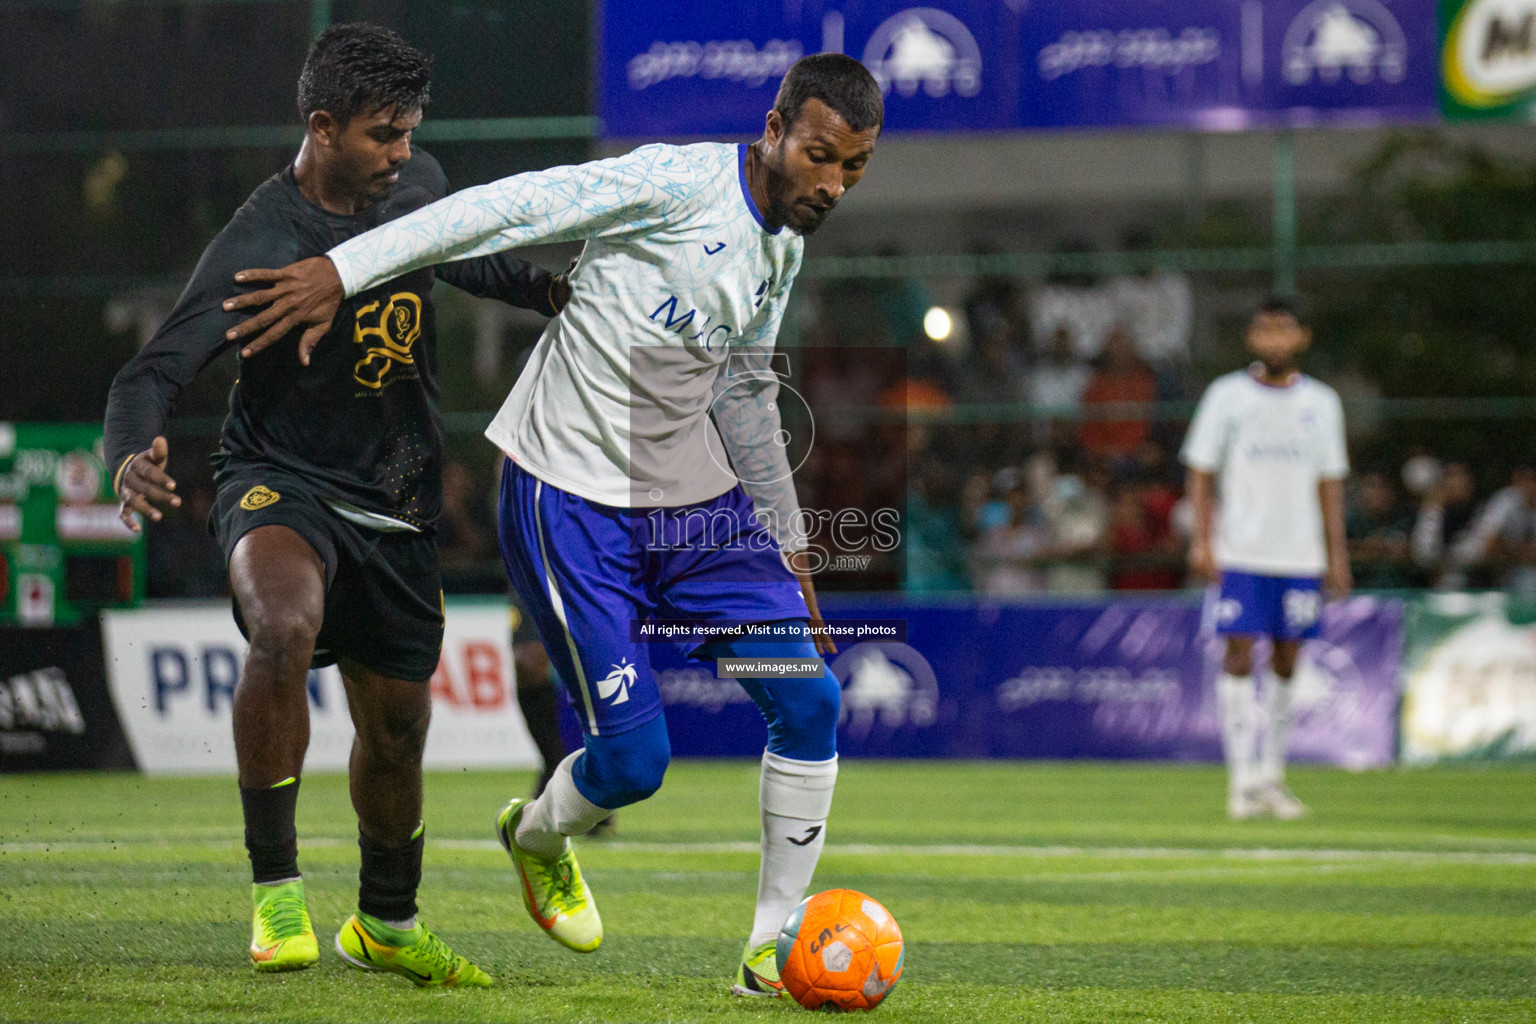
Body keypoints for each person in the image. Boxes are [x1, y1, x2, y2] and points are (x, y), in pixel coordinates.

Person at [220, 54, 883, 998]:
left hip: (693, 509)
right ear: (774, 125)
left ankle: (771, 950)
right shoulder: (668, 184)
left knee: (812, 701)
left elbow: (743, 388)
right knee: (634, 763)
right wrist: (340, 267)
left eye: (853, 168)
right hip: (568, 498)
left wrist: (789, 542)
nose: (832, 184)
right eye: (819, 155)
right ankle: (535, 836)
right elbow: (501, 210)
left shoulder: (783, 241)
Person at [103, 24, 572, 987]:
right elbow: (152, 371)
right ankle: (276, 897)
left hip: (396, 507)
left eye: (409, 132)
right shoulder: (263, 239)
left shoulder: (421, 186)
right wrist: (129, 454)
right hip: (279, 480)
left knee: (397, 729)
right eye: (382, 135)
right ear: (323, 128)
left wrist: (550, 291)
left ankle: (387, 924)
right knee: (283, 623)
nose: (403, 152)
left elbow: (463, 256)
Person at [1181, 297, 1350, 821]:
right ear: (1252, 338)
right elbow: (1201, 471)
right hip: (1242, 552)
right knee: (1236, 654)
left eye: (1284, 330)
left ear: (1303, 337)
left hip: (1300, 556)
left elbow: (1330, 483)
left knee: (1287, 660)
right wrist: (1202, 540)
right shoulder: (1227, 396)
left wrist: (1335, 554)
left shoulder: (1322, 403)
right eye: (1264, 330)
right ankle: (1241, 781)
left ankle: (1272, 774)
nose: (1274, 340)